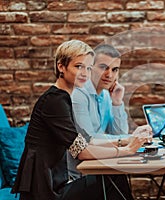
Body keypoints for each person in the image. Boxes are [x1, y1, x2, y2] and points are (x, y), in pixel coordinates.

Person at [12, 40, 150, 200]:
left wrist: (126, 142)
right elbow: (81, 152)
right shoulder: (55, 100)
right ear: (61, 67)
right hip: (45, 192)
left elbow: (84, 143)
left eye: (88, 68)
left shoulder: (62, 97)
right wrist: (127, 150)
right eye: (78, 66)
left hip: (56, 183)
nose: (85, 73)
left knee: (112, 177)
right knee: (112, 178)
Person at [71, 44, 128, 137]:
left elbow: (120, 133)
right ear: (90, 67)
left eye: (115, 70)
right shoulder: (78, 93)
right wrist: (129, 139)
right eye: (104, 67)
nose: (109, 75)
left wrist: (117, 103)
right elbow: (88, 138)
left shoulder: (106, 95)